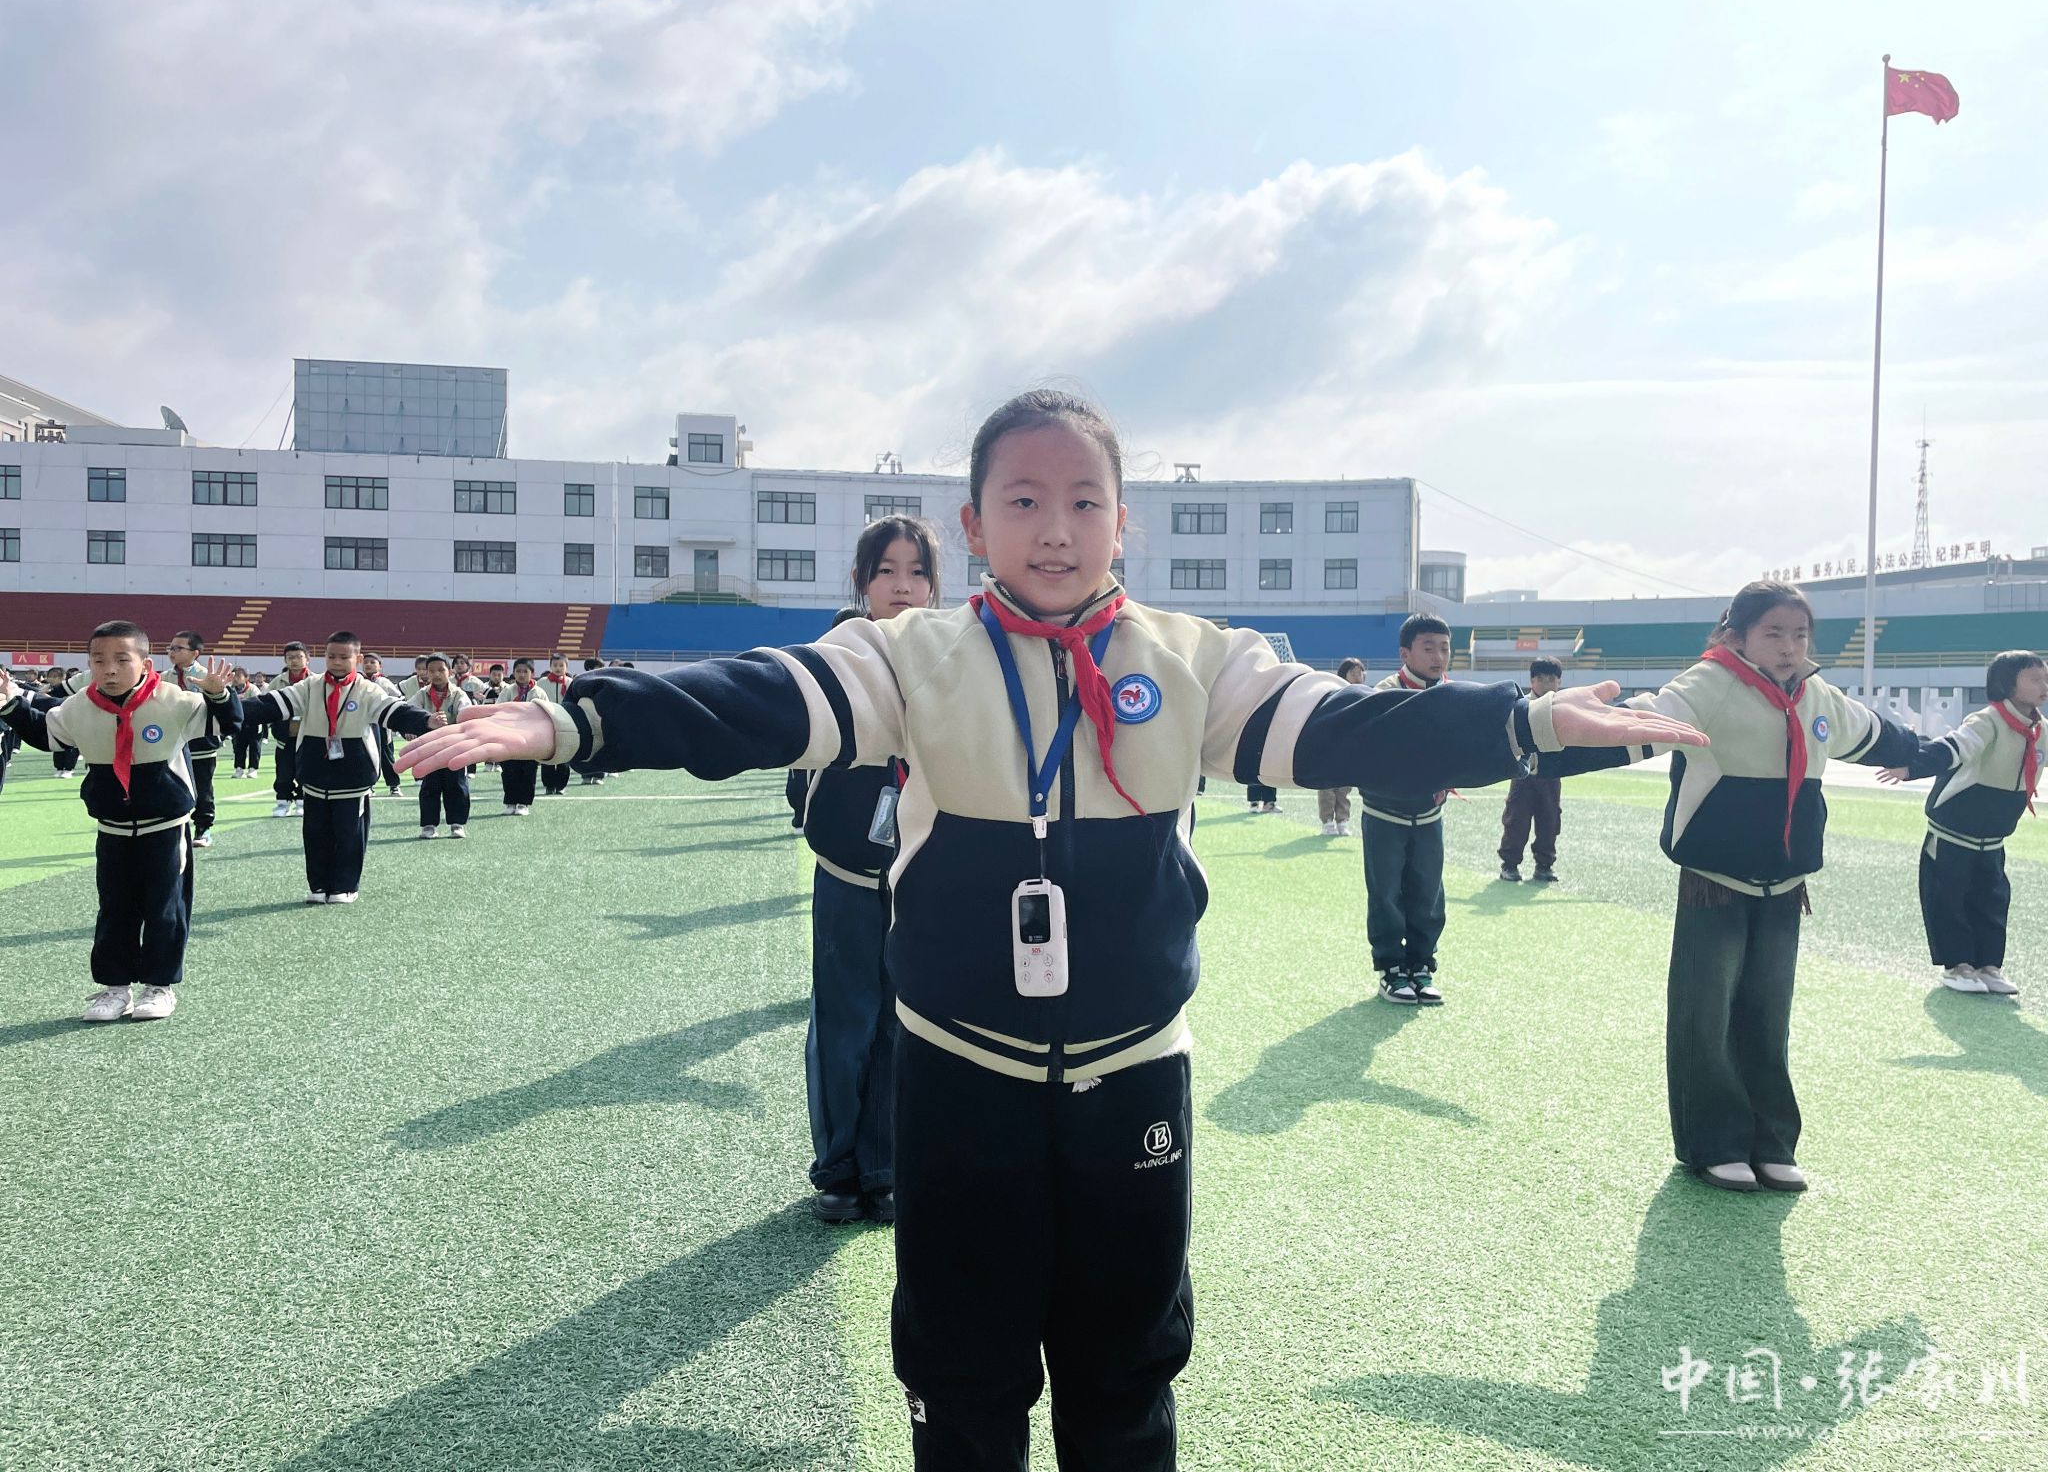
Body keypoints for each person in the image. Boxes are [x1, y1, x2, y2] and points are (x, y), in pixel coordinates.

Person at [398, 387, 1699, 1471]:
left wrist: (1520, 722)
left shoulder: (1195, 657)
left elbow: (1349, 728)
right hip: (959, 1072)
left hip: (1137, 1070)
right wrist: (580, 719)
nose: (1057, 528)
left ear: (1123, 520)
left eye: (1083, 501)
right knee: (962, 1377)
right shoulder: (912, 654)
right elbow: (762, 697)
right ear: (974, 525)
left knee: (1126, 1370)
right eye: (1024, 501)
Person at [1545, 580, 1944, 1196]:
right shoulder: (1708, 683)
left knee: (1767, 1015)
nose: (1789, 647)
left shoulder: (1818, 694)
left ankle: (1772, 1141)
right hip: (1716, 879)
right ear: (1739, 634)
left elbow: (1877, 736)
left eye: (1800, 634)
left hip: (1786, 882)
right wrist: (1543, 742)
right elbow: (1639, 722)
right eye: (1774, 633)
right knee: (1705, 1014)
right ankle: (1714, 1143)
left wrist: (1935, 754)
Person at [791, 515, 943, 1225]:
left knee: (902, 1022)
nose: (903, 586)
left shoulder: (952, 657)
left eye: (917, 572)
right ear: (861, 582)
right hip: (850, 869)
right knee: (845, 1017)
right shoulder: (838, 654)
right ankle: (837, 1167)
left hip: (922, 874)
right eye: (887, 570)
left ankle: (884, 1166)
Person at [0, 623, 237, 1021]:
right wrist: (9, 703)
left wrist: (218, 694)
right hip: (112, 829)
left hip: (165, 827)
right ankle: (115, 988)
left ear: (145, 663)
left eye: (121, 660)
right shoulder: (79, 706)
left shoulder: (173, 700)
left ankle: (159, 986)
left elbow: (224, 724)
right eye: (99, 660)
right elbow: (46, 734)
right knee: (114, 909)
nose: (109, 669)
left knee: (165, 908)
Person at [1886, 648, 2046, 998]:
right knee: (1948, 897)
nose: (2044, 684)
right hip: (1954, 831)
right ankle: (1957, 964)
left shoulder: (2039, 729)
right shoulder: (1988, 721)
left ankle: (1989, 965)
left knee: (1992, 898)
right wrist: (1912, 767)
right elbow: (1952, 748)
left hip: (1993, 836)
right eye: (2035, 678)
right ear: (2007, 684)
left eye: (2045, 677)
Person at [241, 631, 435, 904]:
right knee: (315, 833)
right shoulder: (310, 686)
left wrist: (427, 721)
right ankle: (318, 885)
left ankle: (345, 886)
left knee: (349, 835)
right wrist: (227, 707)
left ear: (358, 658)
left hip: (353, 777)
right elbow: (270, 705)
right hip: (314, 773)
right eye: (331, 656)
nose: (337, 662)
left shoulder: (367, 690)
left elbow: (395, 711)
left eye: (344, 657)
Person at [1364, 614, 1456, 1005]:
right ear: (1405, 653)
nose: (1439, 656)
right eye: (1428, 647)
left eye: (1445, 647)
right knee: (1386, 894)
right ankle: (1390, 970)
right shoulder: (1384, 693)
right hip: (1385, 813)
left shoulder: (1455, 694)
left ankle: (1421, 966)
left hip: (1430, 816)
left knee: (1429, 893)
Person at [1498, 655, 1566, 882]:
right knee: (1516, 818)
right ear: (1532, 680)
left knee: (1550, 820)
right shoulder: (1521, 706)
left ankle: (1544, 865)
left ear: (1559, 682)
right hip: (1523, 774)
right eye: (1541, 678)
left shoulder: (1564, 709)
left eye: (1552, 679)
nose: (1547, 684)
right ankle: (1509, 864)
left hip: (1552, 775)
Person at [165, 631, 224, 848]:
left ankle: (203, 827)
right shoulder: (165, 677)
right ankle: (176, 828)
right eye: (170, 648)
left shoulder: (209, 677)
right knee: (173, 784)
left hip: (202, 741)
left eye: (178, 648)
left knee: (202, 787)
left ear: (195, 653)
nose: (172, 652)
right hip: (173, 741)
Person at [407, 655, 472, 838]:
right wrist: (413, 728)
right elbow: (409, 713)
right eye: (432, 671)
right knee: (430, 786)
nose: (436, 674)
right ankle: (429, 825)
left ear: (449, 672)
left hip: (454, 748)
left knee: (457, 786)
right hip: (429, 748)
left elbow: (466, 714)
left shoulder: (459, 694)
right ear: (426, 673)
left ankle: (457, 824)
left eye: (441, 670)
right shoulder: (421, 695)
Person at [1318, 658, 1366, 835]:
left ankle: (1343, 820)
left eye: (1360, 672)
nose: (1357, 676)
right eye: (1352, 672)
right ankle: (1327, 821)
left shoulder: (1368, 693)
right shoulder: (1333, 692)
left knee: (1344, 787)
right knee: (1326, 785)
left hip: (1351, 745)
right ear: (1343, 675)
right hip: (1330, 744)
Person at [495, 660, 550, 814]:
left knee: (528, 770)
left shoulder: (539, 693)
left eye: (525, 671)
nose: (521, 674)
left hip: (531, 737)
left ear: (532, 673)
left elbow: (546, 713)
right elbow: (498, 710)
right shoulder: (507, 691)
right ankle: (510, 802)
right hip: (509, 735)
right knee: (509, 770)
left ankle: (523, 803)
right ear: (513, 673)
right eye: (518, 671)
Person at [270, 642, 313, 816]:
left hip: (308, 733)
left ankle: (302, 800)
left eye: (298, 657)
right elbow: (267, 704)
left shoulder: (315, 681)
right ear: (285, 660)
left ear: (307, 659)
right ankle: (283, 801)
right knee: (284, 769)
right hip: (284, 735)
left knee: (307, 768)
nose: (294, 661)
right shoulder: (277, 682)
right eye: (290, 658)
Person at [362, 652, 405, 795]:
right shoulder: (358, 681)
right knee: (367, 754)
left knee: (386, 754)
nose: (368, 664)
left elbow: (398, 697)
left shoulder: (384, 682)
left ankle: (394, 785)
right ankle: (368, 785)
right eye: (366, 662)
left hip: (382, 723)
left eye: (372, 662)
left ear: (380, 666)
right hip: (365, 722)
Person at [539, 655, 575, 796]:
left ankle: (560, 785)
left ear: (566, 667)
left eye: (561, 665)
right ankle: (548, 785)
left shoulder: (571, 683)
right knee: (547, 754)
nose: (558, 668)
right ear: (550, 666)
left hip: (567, 723)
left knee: (565, 754)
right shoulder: (542, 683)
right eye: (555, 665)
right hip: (546, 722)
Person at [42, 667, 82, 778]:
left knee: (71, 744)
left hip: (72, 718)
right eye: (50, 676)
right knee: (57, 742)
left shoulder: (71, 688)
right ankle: (59, 767)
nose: (51, 679)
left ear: (62, 677)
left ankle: (69, 769)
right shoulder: (47, 688)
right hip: (56, 719)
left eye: (54, 677)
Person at [228, 667, 266, 778]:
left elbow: (259, 705)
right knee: (238, 746)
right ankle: (239, 769)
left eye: (238, 676)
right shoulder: (229, 689)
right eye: (233, 676)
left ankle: (253, 769)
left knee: (254, 746)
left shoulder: (253, 689)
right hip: (238, 723)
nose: (235, 679)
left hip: (253, 723)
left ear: (246, 678)